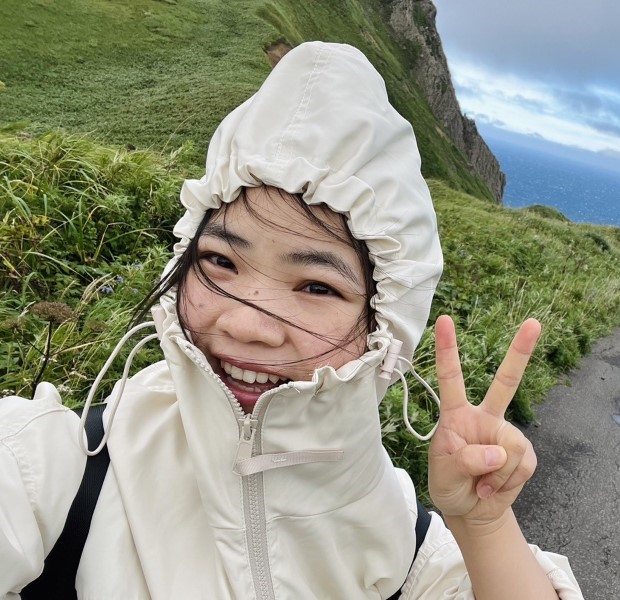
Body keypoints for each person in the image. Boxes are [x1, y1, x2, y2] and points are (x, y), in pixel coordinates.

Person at [0, 43, 582, 598]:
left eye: (317, 286)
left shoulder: (407, 548)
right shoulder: (56, 468)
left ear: (386, 325)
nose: (246, 325)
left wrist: (482, 526)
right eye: (220, 261)